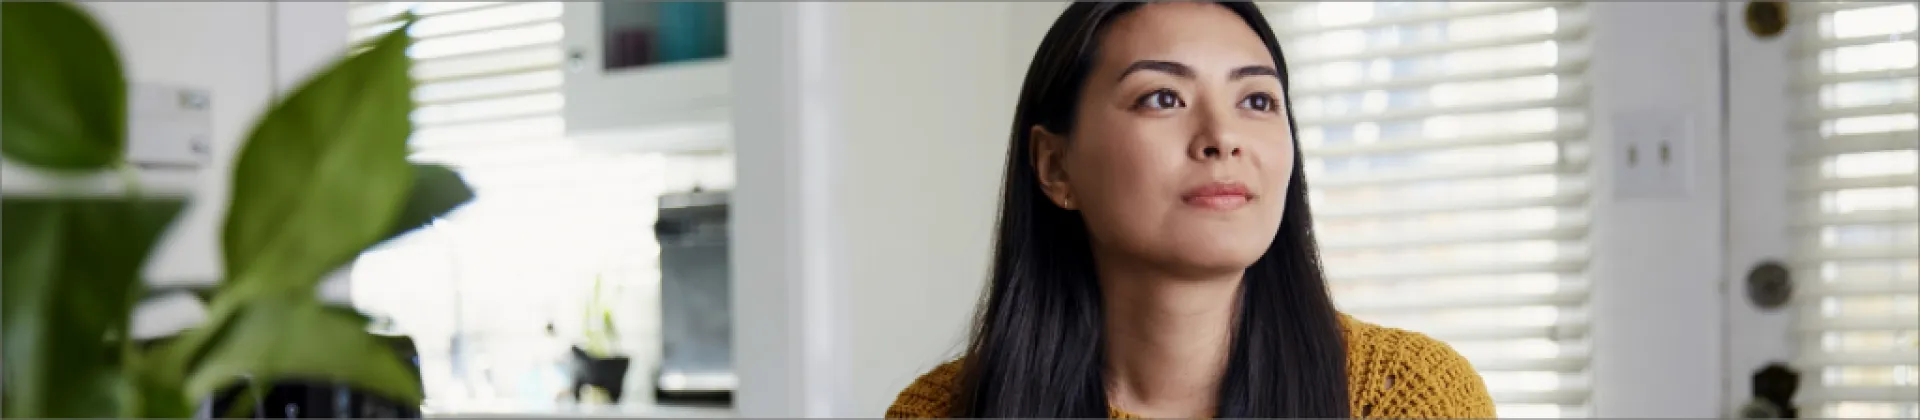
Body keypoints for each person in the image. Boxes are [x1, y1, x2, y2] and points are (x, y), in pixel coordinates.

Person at [884, 2, 1496, 418]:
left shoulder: (1410, 398)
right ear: (1055, 166)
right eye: (1162, 97)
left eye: (1256, 99)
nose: (1222, 136)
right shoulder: (941, 412)